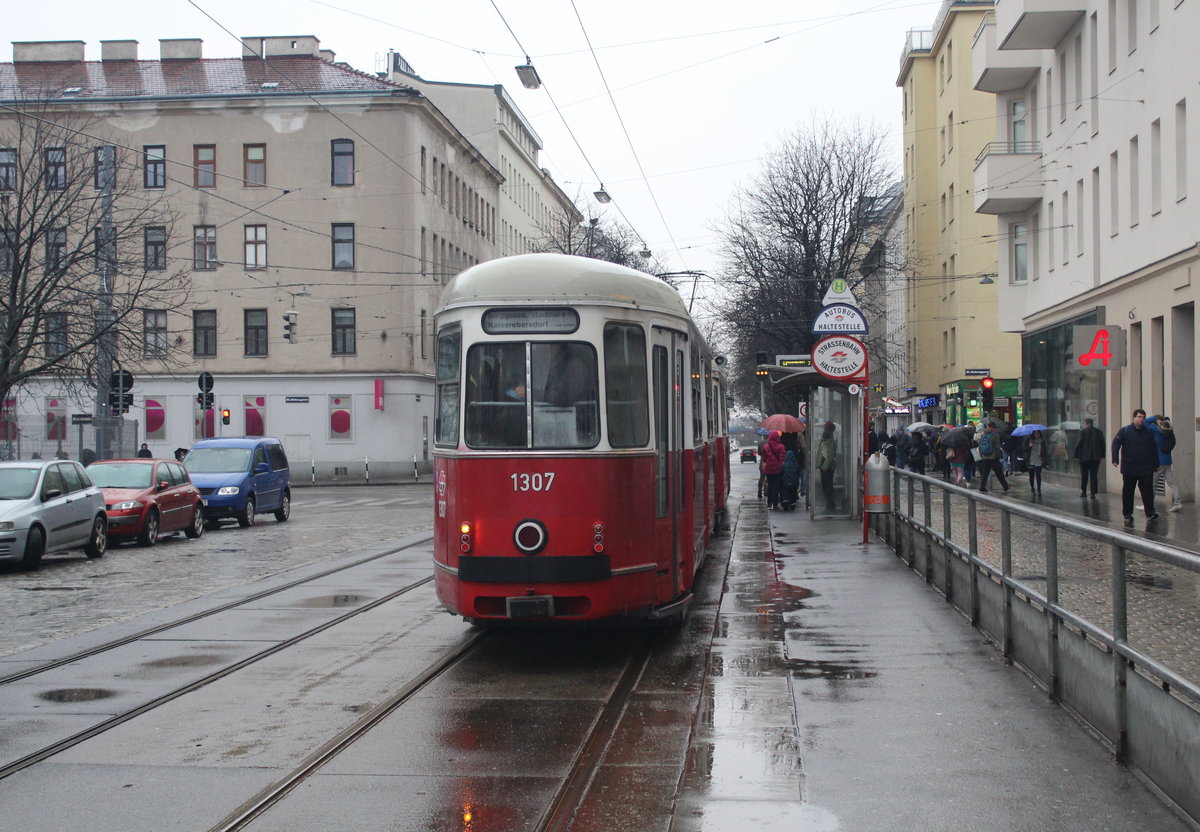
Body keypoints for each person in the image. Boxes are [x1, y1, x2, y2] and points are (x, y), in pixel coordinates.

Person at [1111, 408, 1160, 521]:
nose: (1141, 419)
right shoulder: (1125, 430)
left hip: (1145, 467)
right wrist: (1115, 459)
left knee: (1147, 491)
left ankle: (1150, 513)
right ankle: (1127, 513)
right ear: (1134, 418)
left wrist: (1156, 464)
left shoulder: (1148, 432)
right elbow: (1116, 444)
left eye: (1143, 417)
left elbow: (1153, 449)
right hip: (1129, 467)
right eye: (1139, 417)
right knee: (1128, 491)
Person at [1147, 415, 1182, 512]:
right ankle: (1178, 503)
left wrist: (1154, 418)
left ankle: (1148, 504)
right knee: (1172, 482)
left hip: (1157, 461)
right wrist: (1166, 420)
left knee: (1152, 483)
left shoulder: (1156, 430)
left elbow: (1145, 422)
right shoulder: (1168, 430)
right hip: (1167, 461)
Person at [1073, 417, 1105, 499]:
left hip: (1084, 457)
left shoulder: (1082, 431)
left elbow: (1078, 444)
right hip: (1095, 457)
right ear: (1092, 423)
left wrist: (1076, 455)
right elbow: (1102, 444)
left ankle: (1084, 492)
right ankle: (1093, 493)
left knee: (1084, 475)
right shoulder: (1098, 432)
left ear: (1085, 423)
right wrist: (1102, 455)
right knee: (1094, 475)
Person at [977, 423, 1010, 493]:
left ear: (988, 427)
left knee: (985, 472)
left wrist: (982, 455)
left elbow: (980, 445)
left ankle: (982, 487)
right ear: (993, 427)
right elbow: (997, 447)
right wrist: (998, 456)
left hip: (985, 456)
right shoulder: (995, 434)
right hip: (993, 457)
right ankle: (1005, 486)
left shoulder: (983, 434)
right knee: (999, 472)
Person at [760, 429, 787, 509]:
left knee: (770, 486)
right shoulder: (781, 446)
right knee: (776, 486)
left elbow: (764, 458)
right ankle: (775, 504)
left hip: (768, 469)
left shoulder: (766, 447)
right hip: (777, 469)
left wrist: (768, 461)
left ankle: (769, 503)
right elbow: (782, 458)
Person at [815, 421, 838, 511]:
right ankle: (829, 504)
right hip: (824, 466)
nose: (824, 430)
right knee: (826, 486)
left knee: (828, 486)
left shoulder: (830, 441)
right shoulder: (825, 440)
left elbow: (830, 456)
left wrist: (824, 467)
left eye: (826, 428)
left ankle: (831, 505)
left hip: (827, 467)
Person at [1024, 429, 1046, 495]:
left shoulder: (1042, 441)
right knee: (1031, 476)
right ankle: (1032, 488)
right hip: (1031, 460)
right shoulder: (1030, 440)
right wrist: (1029, 446)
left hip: (1039, 460)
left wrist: (1045, 461)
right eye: (1035, 433)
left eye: (1038, 433)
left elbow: (1045, 451)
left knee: (1038, 475)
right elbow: (1024, 449)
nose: (1037, 434)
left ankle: (1039, 489)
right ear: (1033, 434)